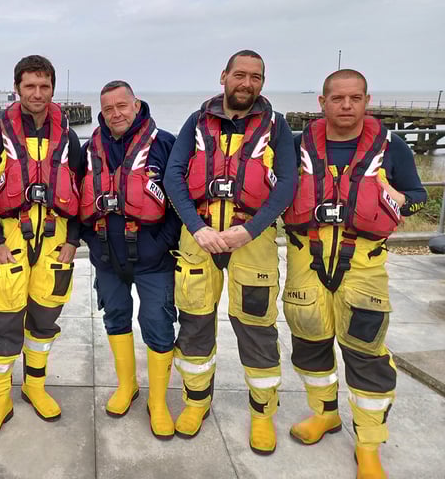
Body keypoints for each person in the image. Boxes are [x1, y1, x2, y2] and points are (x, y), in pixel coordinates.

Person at [282, 69, 426, 478]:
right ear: (322, 103)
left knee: (367, 354)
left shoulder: (391, 147)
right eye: (338, 98)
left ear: (366, 100)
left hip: (363, 266)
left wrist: (398, 200)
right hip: (304, 261)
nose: (346, 106)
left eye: (355, 98)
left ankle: (368, 445)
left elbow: (416, 196)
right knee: (309, 343)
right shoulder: (296, 146)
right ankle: (324, 413)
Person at [163, 49, 297, 455]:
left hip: (251, 244)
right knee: (195, 325)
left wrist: (250, 230)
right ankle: (195, 402)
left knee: (257, 329)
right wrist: (197, 227)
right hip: (199, 239)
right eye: (240, 74)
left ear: (262, 82)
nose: (247, 83)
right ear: (224, 76)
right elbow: (173, 175)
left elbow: (287, 184)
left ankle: (262, 414)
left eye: (256, 77)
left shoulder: (277, 126)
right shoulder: (196, 122)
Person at [0, 55, 81, 445]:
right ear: (17, 87)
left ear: (53, 89)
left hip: (55, 246)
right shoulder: (0, 137)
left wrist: (73, 240)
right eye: (30, 86)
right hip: (11, 246)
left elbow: (81, 190)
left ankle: (35, 385)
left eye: (44, 86)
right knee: (3, 327)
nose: (38, 93)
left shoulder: (68, 137)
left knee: (44, 323)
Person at [78, 80, 180, 439]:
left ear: (136, 105)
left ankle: (158, 401)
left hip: (155, 260)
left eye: (123, 105)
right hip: (107, 258)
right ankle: (127, 386)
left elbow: (180, 200)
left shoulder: (165, 144)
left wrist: (163, 242)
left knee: (157, 322)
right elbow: (76, 198)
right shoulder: (88, 149)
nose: (116, 113)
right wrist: (91, 240)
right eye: (108, 109)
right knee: (116, 317)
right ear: (101, 112)